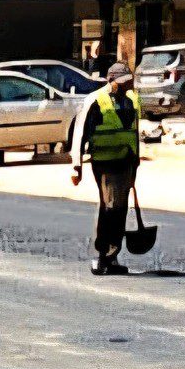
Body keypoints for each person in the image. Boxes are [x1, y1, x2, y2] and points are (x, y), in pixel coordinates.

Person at [69, 61, 142, 276]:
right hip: (105, 162)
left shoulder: (131, 100)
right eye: (123, 82)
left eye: (128, 81)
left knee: (119, 208)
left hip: (126, 160)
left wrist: (136, 159)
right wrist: (76, 165)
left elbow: (134, 130)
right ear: (111, 81)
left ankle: (111, 256)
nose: (127, 85)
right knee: (110, 207)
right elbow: (80, 132)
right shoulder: (95, 100)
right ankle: (103, 255)